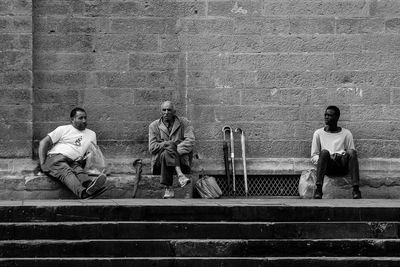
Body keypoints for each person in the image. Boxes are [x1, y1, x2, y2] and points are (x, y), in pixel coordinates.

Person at [38, 107, 107, 199]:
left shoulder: (91, 134)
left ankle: (89, 186)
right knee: (67, 172)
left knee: (79, 171)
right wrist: (43, 164)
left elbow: (92, 152)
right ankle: (83, 194)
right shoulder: (63, 129)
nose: (84, 121)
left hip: (74, 161)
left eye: (85, 118)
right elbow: (43, 143)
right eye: (80, 118)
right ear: (72, 120)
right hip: (55, 158)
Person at [311, 105, 362, 199]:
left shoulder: (346, 133)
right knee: (324, 152)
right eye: (325, 115)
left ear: (337, 117)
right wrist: (325, 158)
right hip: (328, 164)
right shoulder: (318, 133)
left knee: (352, 152)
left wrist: (339, 155)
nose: (326, 117)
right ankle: (318, 190)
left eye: (329, 115)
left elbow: (351, 154)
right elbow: (314, 156)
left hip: (342, 164)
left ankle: (356, 190)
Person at [149, 101, 195, 198]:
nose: (166, 112)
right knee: (169, 145)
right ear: (160, 111)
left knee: (167, 153)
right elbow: (152, 147)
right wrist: (168, 144)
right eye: (164, 110)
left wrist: (172, 149)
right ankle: (180, 175)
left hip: (181, 161)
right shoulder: (153, 125)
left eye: (169, 110)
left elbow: (190, 141)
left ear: (174, 111)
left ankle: (168, 189)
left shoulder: (184, 123)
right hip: (159, 164)